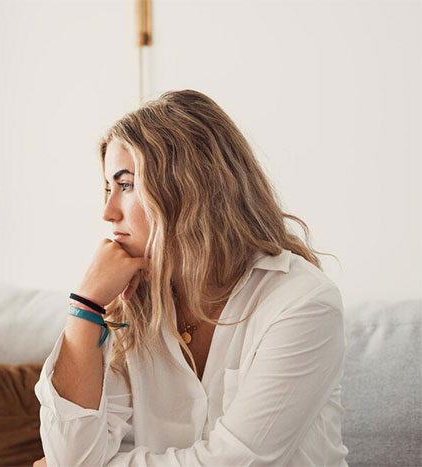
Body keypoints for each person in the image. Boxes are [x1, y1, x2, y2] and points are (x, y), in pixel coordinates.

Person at [32, 89, 348, 466]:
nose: (108, 212)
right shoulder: (129, 301)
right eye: (107, 188)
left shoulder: (302, 302)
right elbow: (70, 455)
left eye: (126, 185)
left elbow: (237, 462)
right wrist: (84, 306)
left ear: (187, 188)